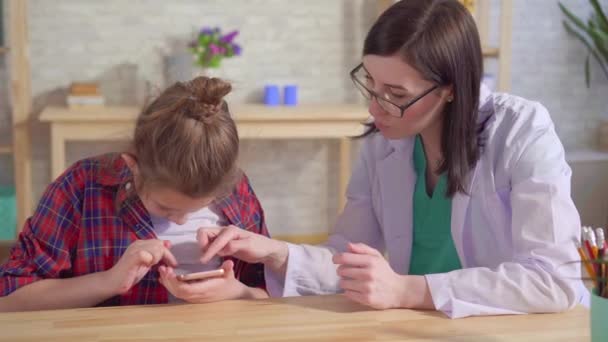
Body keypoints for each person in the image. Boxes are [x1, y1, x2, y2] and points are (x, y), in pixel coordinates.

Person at [197, 0, 588, 318]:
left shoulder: (522, 131)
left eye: (396, 95)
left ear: (450, 88)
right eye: (370, 83)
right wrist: (275, 251)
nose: (376, 107)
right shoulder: (384, 142)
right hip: (415, 324)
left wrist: (407, 289)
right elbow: (348, 256)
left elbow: (553, 280)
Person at [0, 76, 269, 312]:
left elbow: (271, 293)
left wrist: (238, 292)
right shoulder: (81, 187)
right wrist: (109, 281)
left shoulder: (237, 191)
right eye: (165, 208)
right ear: (133, 167)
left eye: (197, 209)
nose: (181, 222)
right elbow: (9, 300)